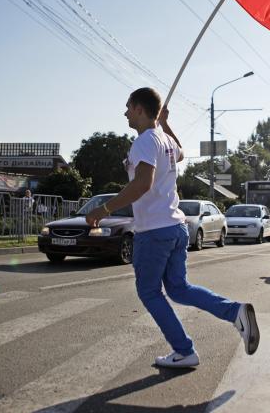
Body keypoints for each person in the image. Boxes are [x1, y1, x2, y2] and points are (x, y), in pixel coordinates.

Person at [86, 87, 260, 368]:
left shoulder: (144, 141)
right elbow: (179, 154)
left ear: (140, 109)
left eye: (129, 107)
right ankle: (234, 312)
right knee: (178, 289)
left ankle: (185, 350)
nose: (125, 113)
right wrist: (165, 123)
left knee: (149, 292)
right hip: (175, 228)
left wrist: (103, 209)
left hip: (154, 231)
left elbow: (142, 184)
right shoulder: (163, 139)